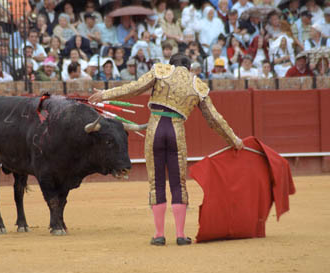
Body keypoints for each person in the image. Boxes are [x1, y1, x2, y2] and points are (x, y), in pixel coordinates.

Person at [89, 53, 243, 246]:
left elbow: (134, 88)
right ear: (189, 67)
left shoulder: (161, 71)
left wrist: (105, 94)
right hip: (176, 131)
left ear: (171, 65)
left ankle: (159, 235)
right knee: (178, 183)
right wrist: (234, 139)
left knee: (157, 182)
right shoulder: (197, 84)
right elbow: (215, 119)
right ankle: (180, 235)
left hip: (155, 129)